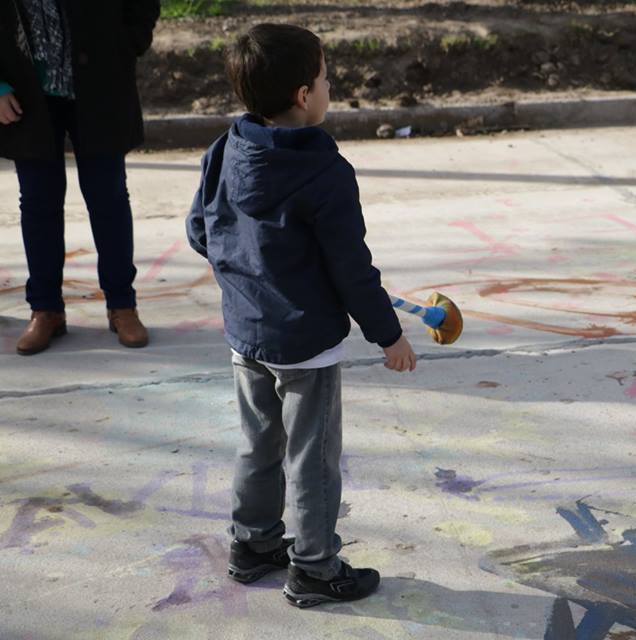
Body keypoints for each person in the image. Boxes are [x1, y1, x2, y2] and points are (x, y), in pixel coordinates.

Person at [185, 23, 418, 607]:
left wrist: (247, 273)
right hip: (305, 345)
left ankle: (253, 544)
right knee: (311, 458)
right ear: (303, 95)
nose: (330, 87)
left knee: (257, 443)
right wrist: (389, 335)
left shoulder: (225, 148)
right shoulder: (324, 171)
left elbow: (200, 230)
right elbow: (351, 269)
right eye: (325, 78)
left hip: (245, 333)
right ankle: (314, 568)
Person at [0, 0, 158, 354]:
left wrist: (127, 44)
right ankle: (46, 309)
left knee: (108, 197)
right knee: (38, 202)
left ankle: (122, 305)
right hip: (26, 90)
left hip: (100, 81)